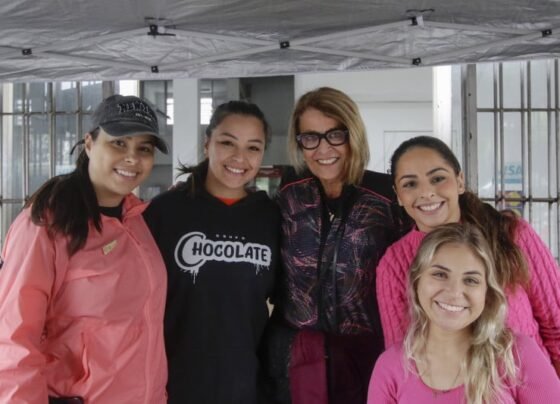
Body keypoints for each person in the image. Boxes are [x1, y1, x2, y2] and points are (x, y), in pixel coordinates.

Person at [0, 95, 169, 403]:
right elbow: (12, 340)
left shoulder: (136, 221)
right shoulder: (46, 225)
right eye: (119, 143)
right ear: (89, 143)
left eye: (143, 148)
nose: (132, 157)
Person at [264, 87, 403, 404]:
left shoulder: (386, 195)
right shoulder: (290, 193)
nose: (322, 148)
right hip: (294, 353)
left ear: (352, 134)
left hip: (367, 353)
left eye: (335, 135)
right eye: (310, 137)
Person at [376, 135, 560, 376]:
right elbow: (404, 359)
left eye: (438, 178)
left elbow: (556, 327)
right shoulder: (395, 263)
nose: (427, 193)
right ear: (399, 195)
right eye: (410, 184)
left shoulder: (511, 234)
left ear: (460, 181)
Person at [143, 100, 280, 404]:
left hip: (246, 387)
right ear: (207, 144)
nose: (239, 158)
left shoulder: (271, 218)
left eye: (253, 148)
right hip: (170, 386)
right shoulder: (165, 213)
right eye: (227, 143)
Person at [368, 223, 560, 403]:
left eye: (471, 280)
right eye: (440, 274)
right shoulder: (390, 366)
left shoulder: (516, 354)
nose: (454, 292)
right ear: (417, 281)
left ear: (487, 293)